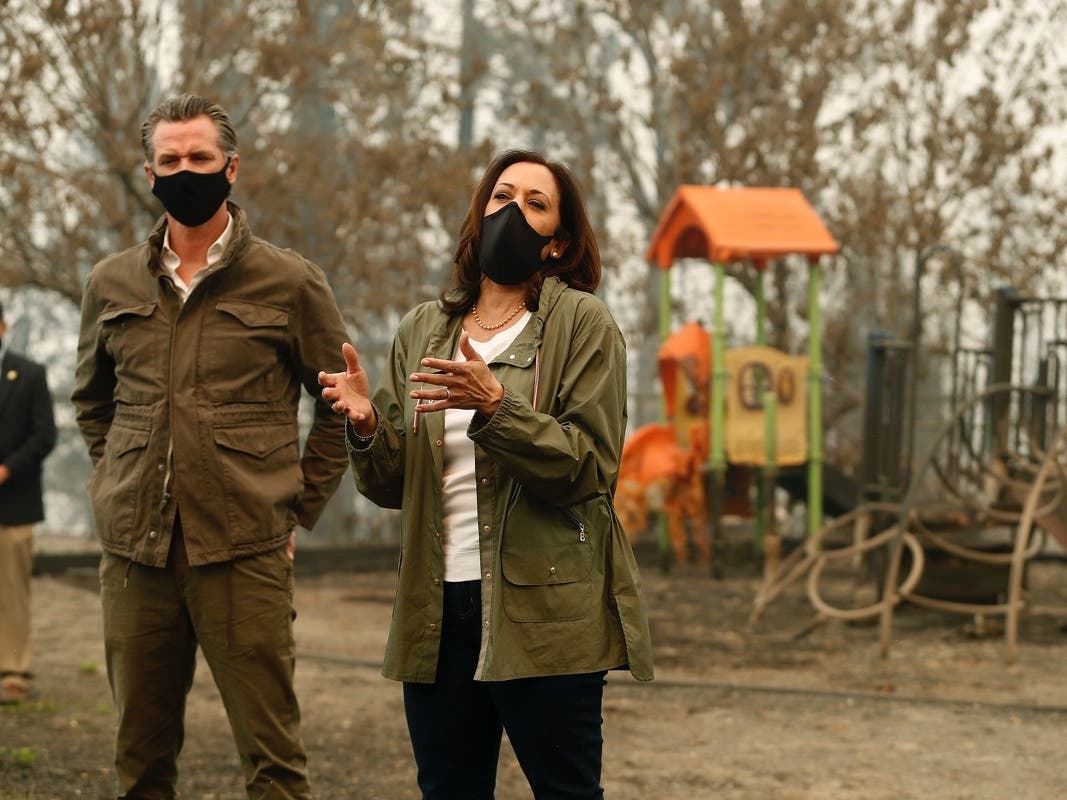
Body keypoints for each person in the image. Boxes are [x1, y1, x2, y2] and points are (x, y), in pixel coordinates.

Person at [318, 149, 654, 799]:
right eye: (502, 197)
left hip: (547, 610)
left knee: (565, 790)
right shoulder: (423, 329)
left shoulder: (581, 324)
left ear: (557, 243)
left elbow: (588, 467)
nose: (514, 213)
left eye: (535, 204)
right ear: (479, 214)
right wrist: (364, 426)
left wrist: (497, 407)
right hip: (437, 609)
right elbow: (391, 486)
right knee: (448, 789)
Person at [72, 94, 350, 799]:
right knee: (140, 763)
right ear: (148, 173)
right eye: (170, 160)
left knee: (273, 762)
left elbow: (340, 408)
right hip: (137, 557)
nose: (184, 170)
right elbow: (92, 402)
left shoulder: (288, 281)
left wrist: (295, 508)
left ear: (231, 168)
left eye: (199, 158)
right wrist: (117, 483)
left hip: (243, 553)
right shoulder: (110, 284)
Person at [0, 299, 57, 705]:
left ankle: (14, 670)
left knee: (12, 589)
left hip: (14, 504)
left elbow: (44, 435)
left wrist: (6, 469)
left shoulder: (30, 374)